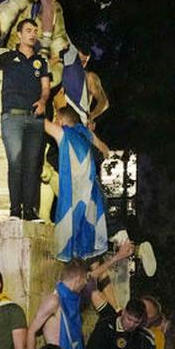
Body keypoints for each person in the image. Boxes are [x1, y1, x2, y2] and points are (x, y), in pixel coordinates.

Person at [0, 18, 50, 221]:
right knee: (16, 162)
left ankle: (29, 210)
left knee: (33, 164)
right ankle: (14, 210)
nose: (33, 34)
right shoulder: (8, 56)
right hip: (13, 117)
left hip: (35, 117)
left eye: (35, 30)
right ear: (19, 34)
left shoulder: (40, 61)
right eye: (28, 30)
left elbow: (45, 88)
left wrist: (44, 101)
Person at [44, 105, 110, 261]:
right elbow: (106, 151)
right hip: (94, 197)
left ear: (60, 121)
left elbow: (43, 123)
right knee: (88, 258)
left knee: (75, 253)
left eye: (56, 119)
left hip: (76, 198)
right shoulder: (85, 134)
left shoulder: (66, 135)